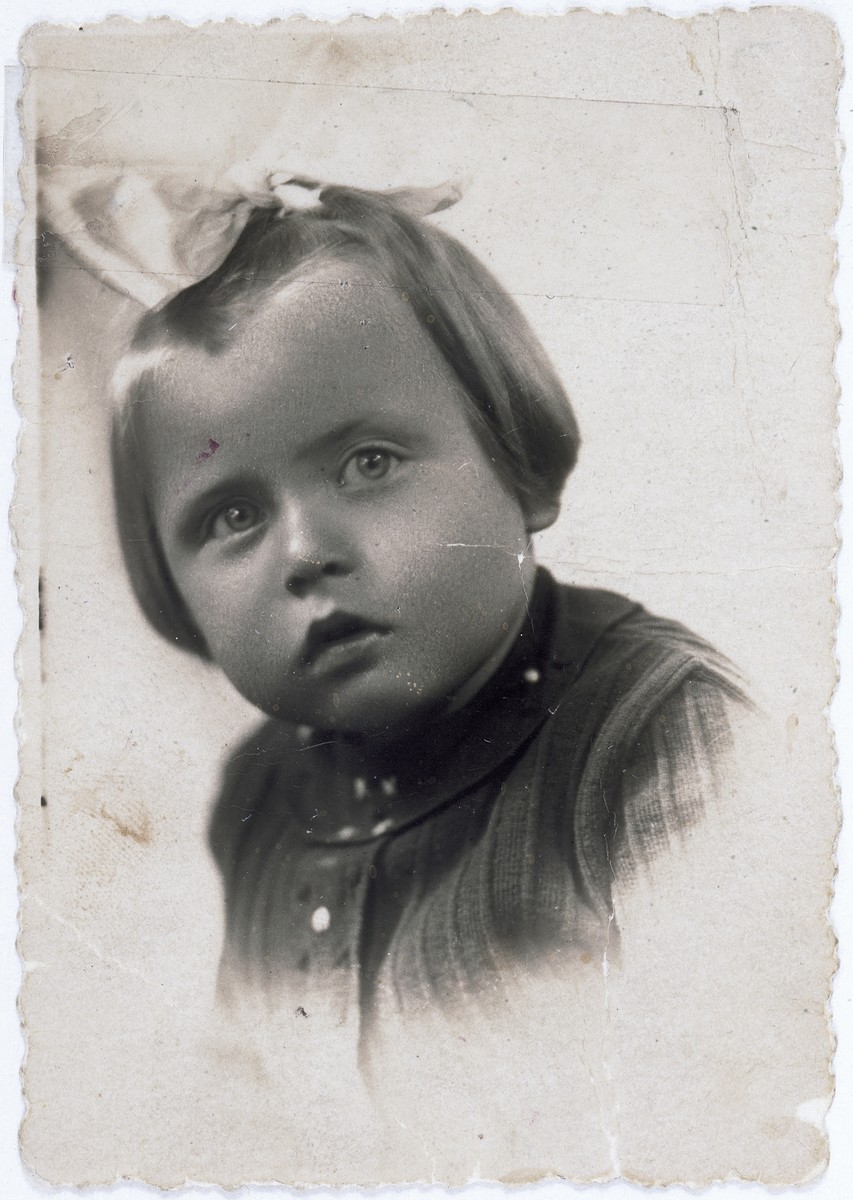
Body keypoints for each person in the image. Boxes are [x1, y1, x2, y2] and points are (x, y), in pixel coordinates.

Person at [109, 179, 753, 1110]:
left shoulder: (661, 741)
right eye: (232, 514)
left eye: (368, 463)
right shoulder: (259, 797)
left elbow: (738, 1104)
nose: (305, 553)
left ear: (516, 461)